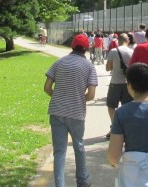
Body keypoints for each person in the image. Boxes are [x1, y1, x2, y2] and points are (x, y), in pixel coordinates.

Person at [44, 33, 98, 187]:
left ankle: (60, 185)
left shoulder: (59, 63)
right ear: (86, 49)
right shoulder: (89, 67)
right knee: (79, 146)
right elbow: (92, 95)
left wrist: (59, 96)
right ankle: (82, 181)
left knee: (59, 152)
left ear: (72, 46)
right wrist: (78, 99)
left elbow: (47, 88)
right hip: (76, 113)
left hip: (56, 111)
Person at [105, 33, 135, 138]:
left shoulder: (114, 51)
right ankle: (127, 128)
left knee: (111, 106)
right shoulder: (132, 51)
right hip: (128, 83)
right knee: (127, 106)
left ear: (118, 41)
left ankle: (115, 127)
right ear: (128, 41)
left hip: (115, 82)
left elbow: (108, 68)